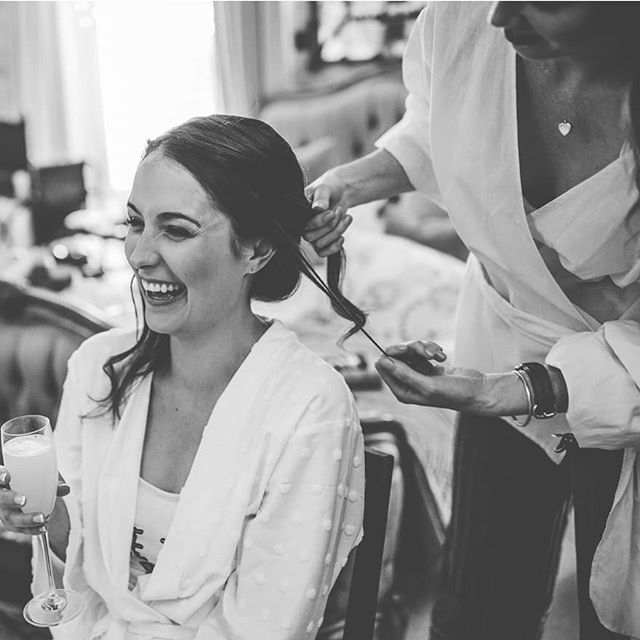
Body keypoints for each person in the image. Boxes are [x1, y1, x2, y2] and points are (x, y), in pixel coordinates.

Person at [304, 3, 640, 639]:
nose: (497, 18)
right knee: (476, 605)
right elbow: (438, 130)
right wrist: (347, 183)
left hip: (628, 385)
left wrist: (505, 389)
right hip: (497, 337)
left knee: (611, 613)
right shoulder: (461, 14)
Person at [0, 114, 366, 640]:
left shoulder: (310, 409)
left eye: (176, 230)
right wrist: (43, 514)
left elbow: (263, 630)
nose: (140, 255)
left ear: (257, 250)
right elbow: (78, 566)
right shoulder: (99, 370)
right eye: (134, 222)